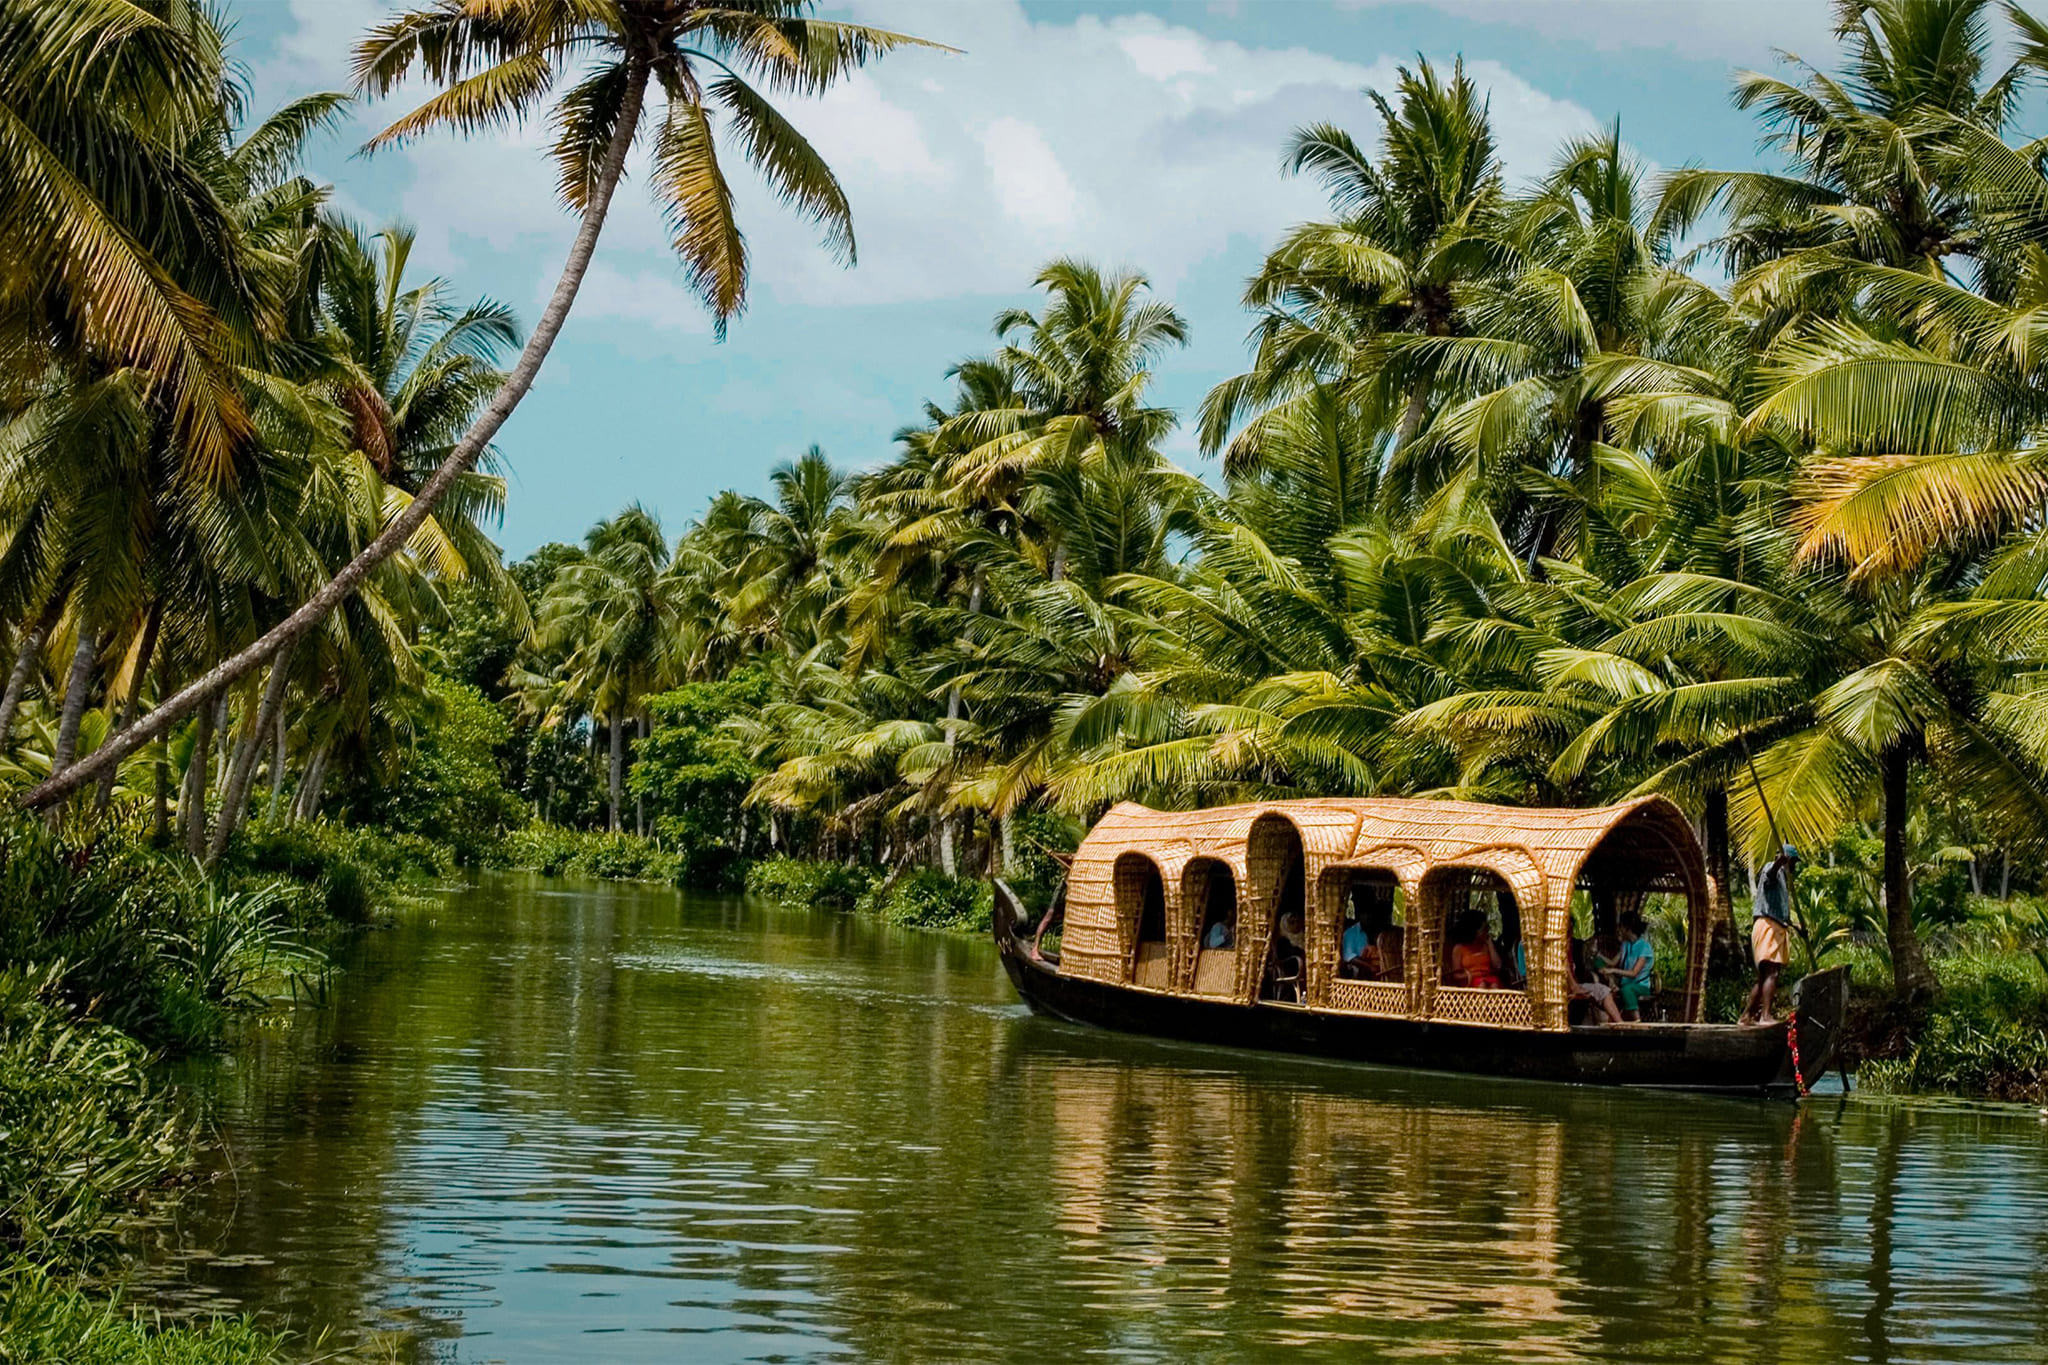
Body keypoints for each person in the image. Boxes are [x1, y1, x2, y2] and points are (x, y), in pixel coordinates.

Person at [1742, 844, 1799, 1025]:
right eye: (1793, 862)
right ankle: (1765, 1016)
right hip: (1768, 926)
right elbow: (1769, 877)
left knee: (1765, 975)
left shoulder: (1784, 880)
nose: (1794, 867)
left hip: (1773, 925)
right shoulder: (1774, 869)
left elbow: (1780, 910)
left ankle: (1746, 1016)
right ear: (1788, 860)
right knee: (1772, 973)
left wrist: (1797, 927)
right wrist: (1777, 864)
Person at [1601, 910, 1657, 1020]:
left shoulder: (1644, 947)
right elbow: (1613, 962)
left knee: (1627, 990)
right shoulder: (1625, 945)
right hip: (1625, 985)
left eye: (1621, 926)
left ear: (1628, 928)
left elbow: (1634, 973)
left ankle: (1637, 1020)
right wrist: (1598, 956)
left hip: (1641, 986)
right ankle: (1614, 1021)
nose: (1620, 930)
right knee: (1610, 992)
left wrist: (1613, 971)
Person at [1569, 935, 1624, 1025]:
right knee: (1602, 990)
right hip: (1587, 982)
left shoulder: (1598, 958)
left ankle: (1619, 1022)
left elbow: (1611, 964)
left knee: (1606, 990)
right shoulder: (1586, 956)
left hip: (1604, 978)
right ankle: (1619, 1022)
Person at [1446, 908, 1504, 989]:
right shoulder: (1459, 948)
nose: (1486, 931)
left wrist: (1490, 944)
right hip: (1469, 982)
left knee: (1494, 984)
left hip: (1489, 980)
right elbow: (1456, 975)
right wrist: (1473, 975)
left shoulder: (1486, 945)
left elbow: (1497, 966)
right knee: (1482, 984)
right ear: (1474, 931)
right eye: (1484, 929)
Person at [1340, 910, 1373, 979]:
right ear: (1361, 916)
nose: (1369, 918)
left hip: (1364, 967)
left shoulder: (1364, 934)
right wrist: (1369, 966)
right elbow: (1349, 957)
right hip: (1352, 970)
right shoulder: (1350, 933)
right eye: (1367, 915)